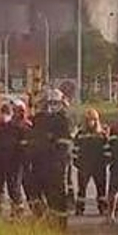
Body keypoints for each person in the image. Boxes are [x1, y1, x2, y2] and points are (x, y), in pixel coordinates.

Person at [34, 91, 75, 224]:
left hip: (59, 163)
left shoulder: (65, 119)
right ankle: (52, 221)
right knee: (48, 193)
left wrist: (52, 142)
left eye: (55, 103)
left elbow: (65, 145)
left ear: (62, 103)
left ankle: (62, 224)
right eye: (50, 103)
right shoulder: (44, 119)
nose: (52, 106)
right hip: (45, 163)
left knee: (59, 194)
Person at [73, 108, 109, 215]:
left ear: (96, 120)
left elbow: (107, 150)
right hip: (84, 166)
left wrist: (105, 163)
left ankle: (102, 207)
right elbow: (75, 150)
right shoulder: (80, 134)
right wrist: (77, 163)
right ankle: (80, 208)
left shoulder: (102, 134)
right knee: (82, 189)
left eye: (92, 120)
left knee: (101, 188)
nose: (90, 122)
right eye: (88, 120)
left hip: (99, 165)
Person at [0, 101, 28, 215]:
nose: (5, 114)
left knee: (15, 185)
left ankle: (18, 209)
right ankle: (15, 209)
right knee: (10, 185)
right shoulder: (3, 127)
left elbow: (24, 147)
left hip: (17, 162)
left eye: (7, 112)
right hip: (5, 161)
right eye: (3, 112)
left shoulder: (22, 128)